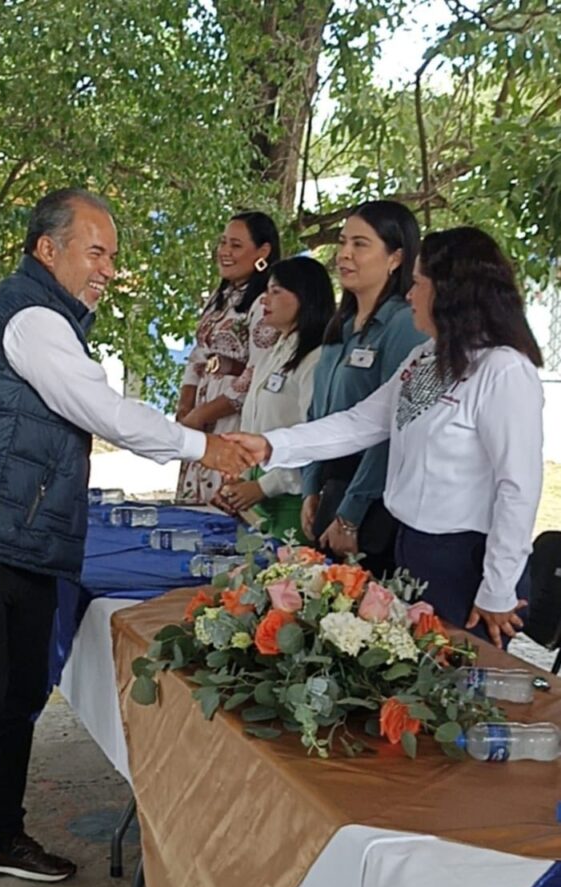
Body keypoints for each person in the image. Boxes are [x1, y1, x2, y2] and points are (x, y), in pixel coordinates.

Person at [0, 188, 251, 887]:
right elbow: (104, 411)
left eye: (111, 257)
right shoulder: (31, 317)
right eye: (96, 252)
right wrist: (204, 446)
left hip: (22, 540)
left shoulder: (55, 319)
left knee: (22, 691)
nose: (107, 270)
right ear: (46, 249)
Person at [227, 225, 544, 650]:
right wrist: (273, 445)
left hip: (466, 562)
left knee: (459, 676)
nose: (409, 295)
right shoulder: (425, 357)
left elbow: (518, 487)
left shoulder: (502, 369)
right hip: (410, 546)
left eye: (418, 283)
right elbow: (360, 423)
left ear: (451, 293)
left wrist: (498, 588)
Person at [302, 200, 428, 577]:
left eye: (360, 244)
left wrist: (351, 514)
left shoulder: (403, 324)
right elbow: (318, 414)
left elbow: (391, 426)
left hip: (372, 502)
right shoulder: (342, 326)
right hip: (331, 488)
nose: (344, 254)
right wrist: (310, 486)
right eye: (342, 242)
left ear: (396, 258)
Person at [217, 256, 335, 542]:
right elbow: (255, 421)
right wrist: (240, 477)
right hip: (261, 494)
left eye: (275, 291)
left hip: (295, 499)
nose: (263, 299)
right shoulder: (275, 352)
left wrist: (264, 487)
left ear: (304, 297)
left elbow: (314, 437)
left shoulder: (317, 358)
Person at [175, 211, 281, 504]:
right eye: (222, 243)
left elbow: (257, 373)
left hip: (233, 419)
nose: (224, 252)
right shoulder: (220, 297)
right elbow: (198, 354)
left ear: (263, 251)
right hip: (201, 412)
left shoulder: (265, 303)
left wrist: (201, 415)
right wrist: (185, 405)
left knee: (222, 499)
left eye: (235, 245)